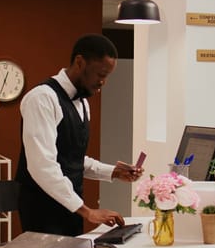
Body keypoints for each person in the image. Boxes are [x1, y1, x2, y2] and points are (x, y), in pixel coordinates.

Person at [16, 33, 143, 237]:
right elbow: (43, 166)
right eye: (101, 74)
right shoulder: (41, 99)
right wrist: (87, 212)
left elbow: (71, 159)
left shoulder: (83, 102)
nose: (103, 82)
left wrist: (113, 172)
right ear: (80, 62)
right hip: (43, 209)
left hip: (71, 207)